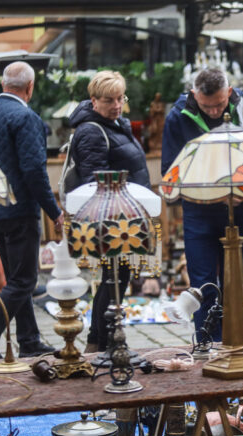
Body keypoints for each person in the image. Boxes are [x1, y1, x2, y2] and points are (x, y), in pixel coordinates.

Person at [161, 68, 243, 341]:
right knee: (203, 283)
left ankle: (236, 342)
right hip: (200, 211)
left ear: (229, 92)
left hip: (239, 208)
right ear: (194, 95)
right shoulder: (178, 116)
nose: (215, 111)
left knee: (234, 280)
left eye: (220, 104)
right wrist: (212, 193)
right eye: (207, 106)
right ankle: (208, 345)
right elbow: (171, 171)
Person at [0, 61, 63, 360]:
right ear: (30, 87)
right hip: (20, 209)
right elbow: (34, 170)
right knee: (24, 281)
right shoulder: (27, 118)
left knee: (16, 280)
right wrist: (54, 211)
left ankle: (29, 340)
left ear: (3, 85)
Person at [68, 70, 150, 353]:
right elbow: (93, 181)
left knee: (116, 279)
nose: (116, 105)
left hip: (125, 216)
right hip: (111, 219)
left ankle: (99, 339)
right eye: (108, 100)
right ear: (94, 101)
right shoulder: (92, 131)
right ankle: (101, 342)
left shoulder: (115, 125)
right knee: (113, 279)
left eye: (120, 98)